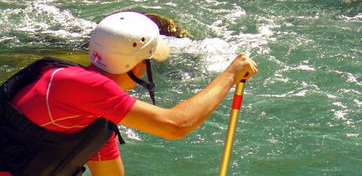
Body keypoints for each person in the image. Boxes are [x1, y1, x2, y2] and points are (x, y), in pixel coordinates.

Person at [0, 11, 257, 176]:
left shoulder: (93, 116)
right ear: (136, 65)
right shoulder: (86, 86)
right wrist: (230, 74)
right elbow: (176, 125)